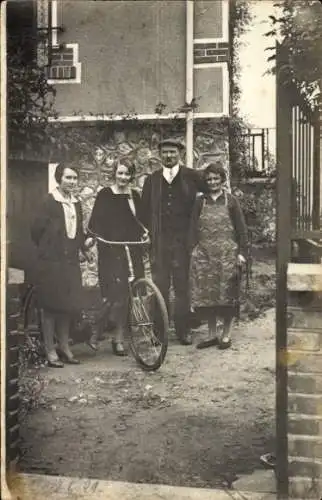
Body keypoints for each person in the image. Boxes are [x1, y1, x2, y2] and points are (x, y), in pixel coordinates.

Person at [140, 138, 204, 345]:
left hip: (183, 244)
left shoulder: (192, 177)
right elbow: (144, 212)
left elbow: (206, 201)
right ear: (159, 155)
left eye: (173, 153)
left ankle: (183, 330)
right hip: (159, 244)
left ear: (180, 154)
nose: (168, 156)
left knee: (182, 287)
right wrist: (148, 234)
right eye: (165, 152)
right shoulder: (152, 180)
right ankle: (159, 331)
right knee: (160, 286)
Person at [31, 162, 94, 368]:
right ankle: (50, 349)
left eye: (75, 178)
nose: (72, 182)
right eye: (68, 177)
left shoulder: (75, 203)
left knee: (67, 306)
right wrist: (49, 250)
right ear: (59, 178)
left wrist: (84, 246)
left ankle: (65, 347)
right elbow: (36, 231)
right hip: (51, 262)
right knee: (50, 307)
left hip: (70, 262)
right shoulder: (48, 201)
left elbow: (76, 233)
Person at [87, 158, 146, 355]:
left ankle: (118, 338)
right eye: (120, 173)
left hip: (132, 249)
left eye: (127, 174)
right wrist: (92, 239)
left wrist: (146, 234)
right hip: (111, 251)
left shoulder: (134, 196)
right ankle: (95, 328)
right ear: (114, 173)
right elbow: (95, 222)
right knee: (114, 297)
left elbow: (141, 221)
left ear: (131, 176)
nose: (123, 177)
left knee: (127, 297)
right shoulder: (105, 194)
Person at [189, 162, 248, 349]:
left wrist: (242, 254)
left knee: (228, 296)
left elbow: (242, 230)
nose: (212, 182)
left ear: (222, 179)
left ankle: (226, 335)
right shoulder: (200, 201)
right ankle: (211, 334)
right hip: (205, 255)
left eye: (216, 178)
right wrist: (193, 250)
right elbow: (192, 229)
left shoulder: (231, 201)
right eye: (209, 179)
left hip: (227, 256)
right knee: (208, 296)